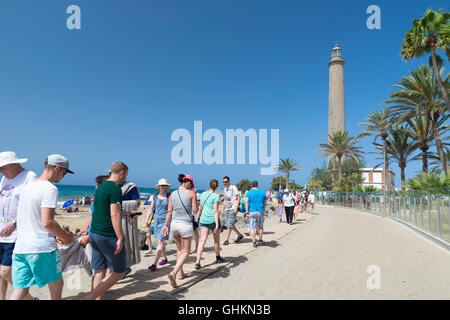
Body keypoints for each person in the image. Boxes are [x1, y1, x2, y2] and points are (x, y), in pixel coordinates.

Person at [10, 154, 75, 300]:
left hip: (20, 247)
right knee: (56, 283)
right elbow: (47, 222)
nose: (64, 176)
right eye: (64, 172)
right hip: (41, 248)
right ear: (58, 168)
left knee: (20, 290)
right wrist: (66, 237)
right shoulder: (50, 189)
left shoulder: (27, 186)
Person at [81, 161, 135, 300]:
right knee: (119, 271)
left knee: (99, 270)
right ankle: (89, 297)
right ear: (122, 172)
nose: (125, 178)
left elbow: (102, 210)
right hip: (107, 235)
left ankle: (94, 298)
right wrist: (120, 238)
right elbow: (114, 215)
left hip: (94, 234)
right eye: (126, 175)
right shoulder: (115, 189)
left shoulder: (101, 186)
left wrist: (125, 214)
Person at [0, 152, 38, 300]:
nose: (1, 171)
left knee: (5, 271)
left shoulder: (30, 177)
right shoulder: (4, 178)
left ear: (15, 164)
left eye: (3, 168)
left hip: (17, 234)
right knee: (0, 273)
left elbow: (32, 206)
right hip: (2, 232)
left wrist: (14, 223)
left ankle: (27, 297)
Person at [163, 174, 198, 288]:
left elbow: (169, 211)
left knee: (179, 249)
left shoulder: (172, 193)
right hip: (185, 225)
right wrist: (195, 198)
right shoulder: (191, 193)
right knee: (186, 251)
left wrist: (165, 226)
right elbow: (195, 210)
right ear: (187, 182)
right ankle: (173, 273)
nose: (191, 186)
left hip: (174, 225)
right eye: (191, 184)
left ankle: (181, 273)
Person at [194, 179, 225, 270]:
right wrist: (216, 224)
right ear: (217, 186)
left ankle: (197, 261)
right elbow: (215, 211)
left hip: (203, 220)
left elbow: (200, 208)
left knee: (202, 241)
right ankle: (218, 257)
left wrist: (196, 219)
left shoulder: (203, 194)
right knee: (216, 241)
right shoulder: (216, 196)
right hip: (212, 220)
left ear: (209, 185)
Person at [146, 179, 171, 271]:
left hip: (166, 221)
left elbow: (171, 210)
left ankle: (154, 264)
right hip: (156, 221)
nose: (163, 187)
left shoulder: (169, 196)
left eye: (165, 185)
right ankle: (164, 258)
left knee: (160, 240)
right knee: (161, 241)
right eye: (162, 185)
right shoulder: (155, 196)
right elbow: (151, 208)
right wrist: (147, 219)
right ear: (159, 186)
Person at [119, 177, 141, 278]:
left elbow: (137, 202)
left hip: (126, 219)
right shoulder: (110, 186)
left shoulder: (130, 187)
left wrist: (117, 205)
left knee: (125, 243)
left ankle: (124, 268)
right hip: (113, 218)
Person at [221, 176, 244, 245]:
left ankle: (226, 240)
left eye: (225, 181)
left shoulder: (233, 187)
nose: (224, 183)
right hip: (227, 208)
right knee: (230, 224)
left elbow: (238, 197)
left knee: (229, 224)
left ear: (229, 181)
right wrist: (222, 209)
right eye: (223, 182)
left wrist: (236, 207)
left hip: (233, 207)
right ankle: (240, 235)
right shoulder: (225, 189)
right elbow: (225, 199)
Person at [244, 181, 267, 248]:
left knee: (252, 227)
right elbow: (265, 203)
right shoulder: (262, 192)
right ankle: (260, 240)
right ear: (257, 185)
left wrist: (246, 212)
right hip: (260, 211)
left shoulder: (248, 193)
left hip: (252, 211)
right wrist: (264, 209)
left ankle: (254, 242)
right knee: (260, 226)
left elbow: (246, 203)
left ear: (251, 185)